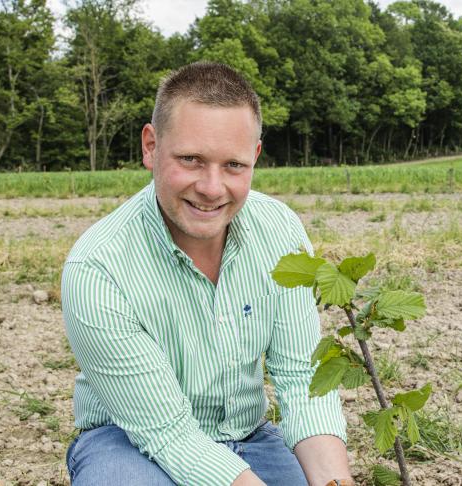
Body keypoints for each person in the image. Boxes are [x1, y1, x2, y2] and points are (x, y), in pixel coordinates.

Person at [62, 62, 354, 486]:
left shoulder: (280, 231)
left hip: (248, 437)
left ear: (254, 157)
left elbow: (301, 378)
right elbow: (168, 434)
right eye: (192, 160)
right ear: (150, 146)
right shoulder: (98, 269)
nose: (212, 188)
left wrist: (336, 483)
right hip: (130, 440)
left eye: (233, 165)